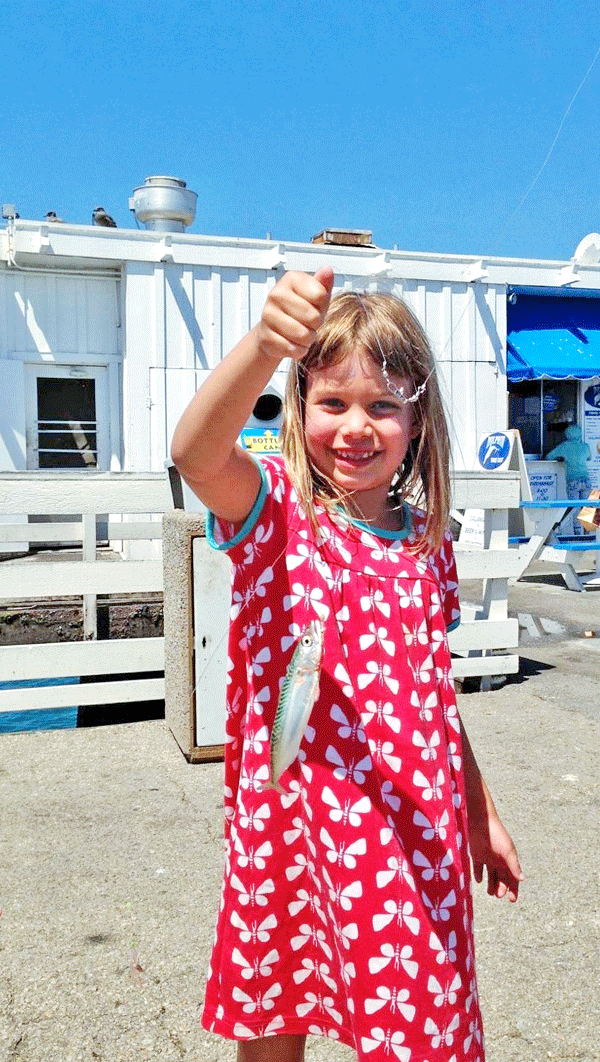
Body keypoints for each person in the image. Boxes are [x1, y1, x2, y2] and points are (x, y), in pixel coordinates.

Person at [171, 267, 523, 1062]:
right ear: (299, 406)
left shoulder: (431, 539)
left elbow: (433, 696)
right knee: (276, 1005)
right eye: (332, 402)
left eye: (382, 406)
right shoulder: (273, 515)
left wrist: (479, 807)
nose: (356, 427)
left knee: (422, 1017)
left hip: (409, 832)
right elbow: (195, 452)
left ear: (416, 418)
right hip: (292, 826)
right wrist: (266, 343)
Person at [546, 424, 592, 536]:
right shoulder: (585, 446)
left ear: (567, 434)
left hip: (573, 481)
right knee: (586, 507)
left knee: (575, 509)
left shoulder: (564, 446)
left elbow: (549, 457)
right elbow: (589, 457)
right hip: (586, 480)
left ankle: (577, 534)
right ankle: (588, 533)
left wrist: (562, 458)